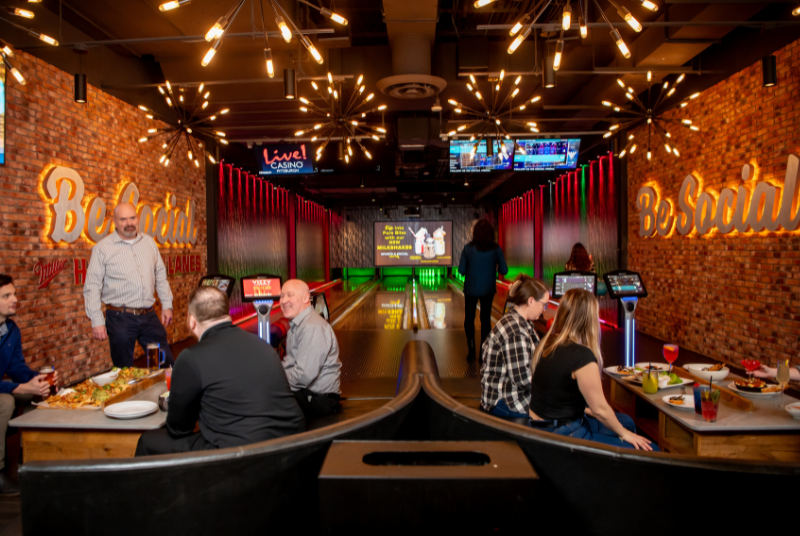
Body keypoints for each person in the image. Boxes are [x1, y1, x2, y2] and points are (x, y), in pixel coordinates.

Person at [135, 287, 305, 456]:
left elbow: (178, 429)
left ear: (192, 321)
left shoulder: (190, 357)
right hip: (293, 449)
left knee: (147, 441)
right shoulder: (263, 345)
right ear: (228, 315)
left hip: (244, 458)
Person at [528, 289, 656, 451]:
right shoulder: (581, 356)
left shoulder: (547, 343)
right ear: (589, 319)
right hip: (563, 432)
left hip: (541, 425)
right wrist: (625, 434)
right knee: (651, 448)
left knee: (627, 421)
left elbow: (558, 394)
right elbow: (600, 409)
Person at [83, 202, 175, 368]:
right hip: (120, 319)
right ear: (115, 222)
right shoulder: (102, 248)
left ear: (137, 218)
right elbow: (92, 286)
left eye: (132, 218)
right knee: (124, 369)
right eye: (123, 219)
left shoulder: (149, 243)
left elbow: (160, 274)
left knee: (163, 362)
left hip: (148, 316)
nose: (129, 223)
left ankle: (165, 392)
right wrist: (96, 320)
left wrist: (167, 304)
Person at [0, 274, 60, 494]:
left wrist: (38, 379)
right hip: (2, 393)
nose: (14, 299)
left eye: (14, 293)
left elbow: (16, 368)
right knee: (6, 401)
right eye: (6, 295)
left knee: (42, 392)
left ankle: (30, 457)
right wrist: (21, 388)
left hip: (3, 385)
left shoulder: (11, 330)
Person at [481, 275, 549, 422]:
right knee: (558, 411)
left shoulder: (519, 321)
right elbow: (524, 380)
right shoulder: (515, 331)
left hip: (510, 394)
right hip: (504, 401)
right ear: (531, 301)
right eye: (544, 305)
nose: (544, 310)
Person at [280, 279, 342, 419]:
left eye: (290, 295)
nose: (284, 300)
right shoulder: (297, 325)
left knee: (263, 401)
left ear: (306, 298)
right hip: (307, 394)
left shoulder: (311, 327)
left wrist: (277, 384)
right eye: (282, 296)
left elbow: (304, 375)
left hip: (318, 400)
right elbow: (289, 364)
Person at [458, 219, 508, 361]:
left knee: (469, 318)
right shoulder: (496, 249)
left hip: (470, 289)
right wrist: (493, 267)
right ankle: (483, 353)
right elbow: (504, 270)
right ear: (491, 234)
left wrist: (471, 267)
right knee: (485, 319)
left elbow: (461, 271)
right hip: (488, 289)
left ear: (475, 233)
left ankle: (471, 350)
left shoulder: (468, 248)